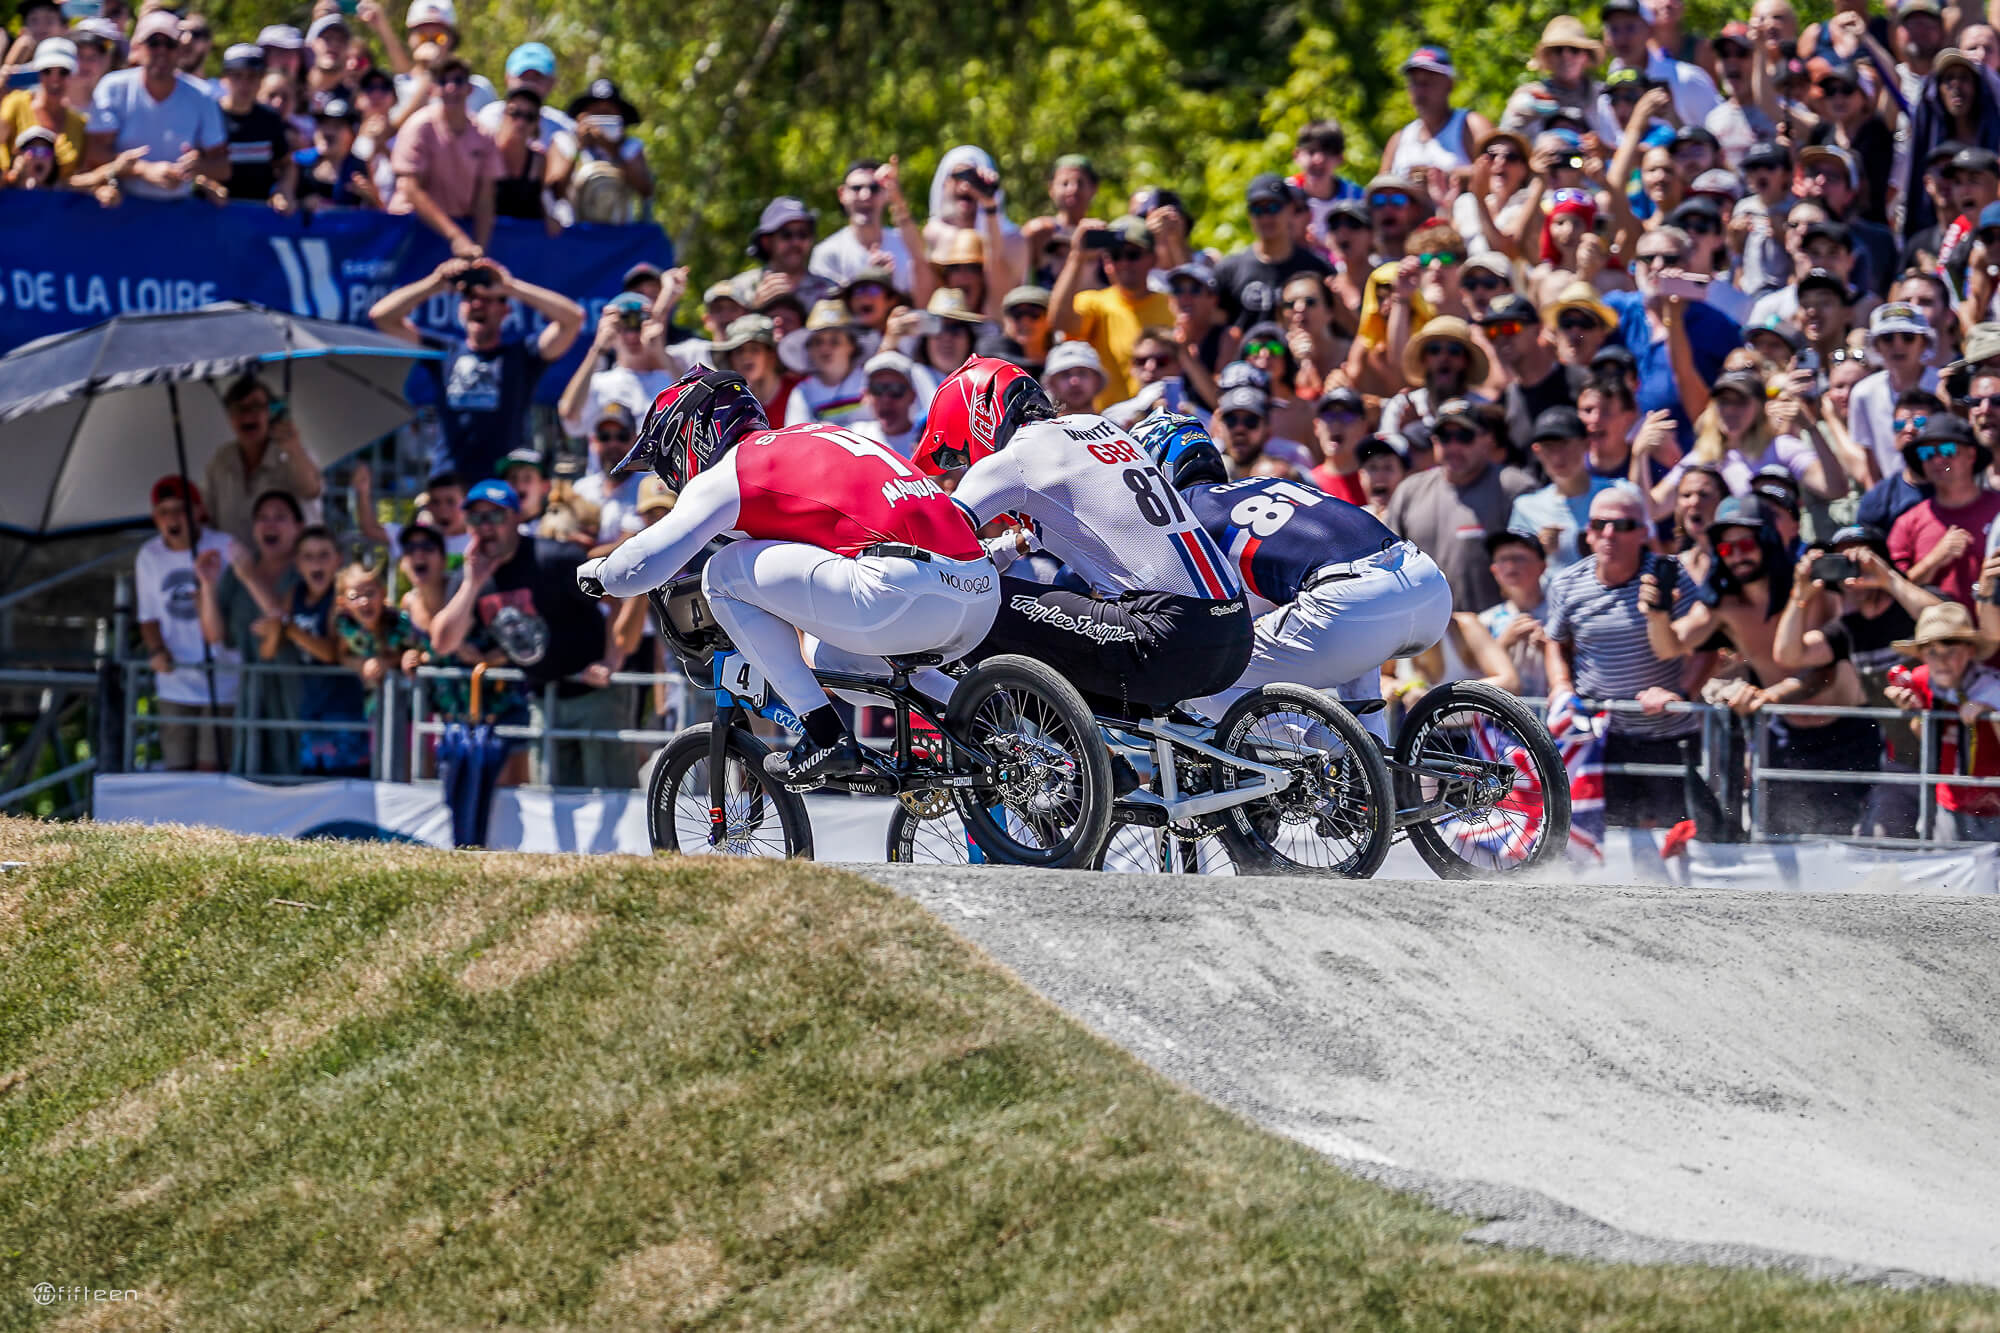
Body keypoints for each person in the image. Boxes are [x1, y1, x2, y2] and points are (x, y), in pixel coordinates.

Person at [579, 369, 1001, 788]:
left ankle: (823, 733)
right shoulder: (812, 436)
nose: (672, 482)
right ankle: (996, 726)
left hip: (901, 592)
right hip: (977, 592)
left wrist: (596, 573)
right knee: (833, 658)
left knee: (722, 573)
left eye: (666, 465)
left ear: (693, 435)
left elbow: (640, 568)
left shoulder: (731, 469)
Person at [905, 359, 1250, 717]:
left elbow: (935, 540)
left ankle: (1073, 757)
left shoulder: (1014, 460)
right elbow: (1047, 531)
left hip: (1164, 638)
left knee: (974, 602)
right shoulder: (1097, 426)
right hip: (1234, 633)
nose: (962, 465)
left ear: (977, 419)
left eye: (957, 455)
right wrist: (1007, 547)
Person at [1134, 413, 1450, 732]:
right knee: (1357, 637)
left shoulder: (1184, 516)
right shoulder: (1267, 483)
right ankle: (1373, 748)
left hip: (1354, 603)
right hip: (1427, 583)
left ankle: (1326, 752)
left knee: (1192, 670)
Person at [1649, 496, 1877, 836]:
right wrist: (1656, 609)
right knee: (1778, 837)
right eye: (1726, 550)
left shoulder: (1812, 589)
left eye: (1745, 544)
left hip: (1847, 734)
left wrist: (1768, 696)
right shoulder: (1724, 607)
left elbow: (1824, 673)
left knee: (1857, 842)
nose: (1738, 556)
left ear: (1767, 540)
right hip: (1785, 738)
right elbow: (1668, 646)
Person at [428, 478, 625, 788]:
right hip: (540, 699)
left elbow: (617, 598)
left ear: (517, 519)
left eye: (495, 516)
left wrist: (613, 660)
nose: (486, 527)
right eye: (476, 518)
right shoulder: (473, 576)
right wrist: (472, 583)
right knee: (550, 801)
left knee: (611, 795)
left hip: (593, 697)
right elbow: (442, 642)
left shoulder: (554, 558)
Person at [1542, 487, 1702, 827]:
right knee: (1606, 835)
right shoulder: (1567, 583)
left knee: (1677, 835)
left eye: (1623, 525)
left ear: (1643, 532)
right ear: (1588, 532)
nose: (1610, 534)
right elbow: (1554, 641)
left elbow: (1706, 647)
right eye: (1600, 524)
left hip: (1668, 735)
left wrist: (1682, 694)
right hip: (1600, 737)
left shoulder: (1670, 576)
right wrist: (1560, 685)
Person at [1775, 523, 1941, 839]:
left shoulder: (1913, 606)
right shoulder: (1847, 628)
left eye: (1859, 559)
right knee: (1881, 839)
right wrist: (1801, 594)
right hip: (1902, 759)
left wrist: (1888, 579)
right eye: (1841, 563)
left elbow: (1946, 621)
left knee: (1959, 846)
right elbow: (1788, 654)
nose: (1851, 572)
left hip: (1952, 756)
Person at [370, 258, 584, 478]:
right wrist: (435, 283)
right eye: (470, 298)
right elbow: (382, 317)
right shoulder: (443, 351)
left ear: (505, 310)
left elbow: (572, 319)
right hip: (449, 483)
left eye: (487, 299)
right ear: (460, 308)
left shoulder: (523, 355)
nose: (477, 304)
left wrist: (511, 287)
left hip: (502, 483)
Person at [1384, 398, 1536, 612]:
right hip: (1427, 633)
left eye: (1465, 436)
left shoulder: (1514, 487)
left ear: (1487, 439)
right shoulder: (1409, 491)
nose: (1454, 446)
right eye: (1445, 437)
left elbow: (1534, 567)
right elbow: (1388, 565)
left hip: (1495, 631)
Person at [196, 489, 302, 777]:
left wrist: (251, 578)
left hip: (299, 692)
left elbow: (283, 621)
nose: (270, 525)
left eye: (280, 517)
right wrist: (207, 584)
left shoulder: (308, 568)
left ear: (298, 527)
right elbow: (214, 635)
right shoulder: (238, 572)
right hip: (253, 695)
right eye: (263, 518)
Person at [138, 477, 237, 773]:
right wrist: (157, 650)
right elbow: (148, 617)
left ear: (199, 511)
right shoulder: (149, 556)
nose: (172, 519)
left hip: (222, 679)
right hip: (175, 684)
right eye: (164, 512)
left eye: (180, 509)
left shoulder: (225, 548)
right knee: (177, 770)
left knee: (212, 770)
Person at [81, 9, 227, 202]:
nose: (161, 51)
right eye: (153, 43)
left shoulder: (202, 95)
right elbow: (94, 153)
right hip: (120, 210)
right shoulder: (113, 87)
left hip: (179, 213)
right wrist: (143, 169)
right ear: (138, 47)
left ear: (180, 50)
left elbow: (223, 166)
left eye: (169, 44)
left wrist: (198, 167)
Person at [1882, 602, 2000, 841]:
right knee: (1948, 870)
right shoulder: (1920, 681)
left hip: (1994, 804)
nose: (1941, 661)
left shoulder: (1992, 688)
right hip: (1948, 799)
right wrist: (1915, 711)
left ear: (1969, 651)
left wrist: (1991, 714)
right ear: (1922, 656)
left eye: (1951, 650)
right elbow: (1926, 739)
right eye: (1932, 652)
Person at [1048, 215, 1170, 410]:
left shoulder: (1171, 305)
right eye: (1115, 255)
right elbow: (1059, 321)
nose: (1123, 263)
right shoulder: (1094, 302)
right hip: (1110, 430)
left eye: (1132, 254)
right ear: (1105, 262)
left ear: (1153, 258)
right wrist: (1077, 255)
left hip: (1162, 423)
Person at [386, 54, 496, 258]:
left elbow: (485, 197)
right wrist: (455, 236)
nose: (451, 88)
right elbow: (410, 188)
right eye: (444, 81)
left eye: (459, 81)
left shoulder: (484, 135)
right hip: (411, 233)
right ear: (433, 89)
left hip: (458, 233)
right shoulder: (419, 126)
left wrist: (479, 250)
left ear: (469, 88)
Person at [1889, 415, 2000, 608]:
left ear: (1971, 455)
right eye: (1926, 453)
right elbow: (1891, 593)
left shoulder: (1998, 508)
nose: (1938, 459)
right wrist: (1934, 559)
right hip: (1935, 636)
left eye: (1947, 450)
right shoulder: (1908, 522)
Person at [201, 375, 325, 547]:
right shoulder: (221, 460)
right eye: (239, 409)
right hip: (237, 568)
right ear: (230, 418)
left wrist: (294, 448)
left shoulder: (292, 452)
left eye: (256, 407)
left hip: (292, 567)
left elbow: (311, 490)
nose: (247, 415)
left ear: (271, 413)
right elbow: (208, 518)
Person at [1509, 406, 1634, 574]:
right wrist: (1539, 551)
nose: (1557, 456)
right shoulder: (1525, 507)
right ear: (1536, 451)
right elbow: (1514, 572)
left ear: (1587, 444)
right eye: (1548, 446)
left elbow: (1646, 547)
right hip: (1553, 599)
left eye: (1564, 444)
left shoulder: (1621, 493)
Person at [557, 289, 681, 445]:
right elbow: (569, 416)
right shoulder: (599, 382)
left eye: (639, 324)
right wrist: (598, 347)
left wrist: (659, 348)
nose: (632, 335)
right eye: (622, 326)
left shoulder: (671, 380)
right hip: (610, 469)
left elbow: (701, 410)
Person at [1214, 174, 1334, 331]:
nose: (1265, 217)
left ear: (1291, 209)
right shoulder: (1229, 270)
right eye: (1257, 209)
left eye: (1273, 208)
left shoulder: (1316, 268)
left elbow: (1337, 327)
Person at [809, 156, 927, 296]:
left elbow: (924, 278)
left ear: (886, 194)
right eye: (856, 188)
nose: (865, 195)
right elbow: (823, 311)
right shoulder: (827, 253)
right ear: (842, 194)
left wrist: (897, 196)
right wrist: (871, 278)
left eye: (874, 188)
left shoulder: (905, 244)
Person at [1380, 43, 1491, 178]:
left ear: (1450, 84)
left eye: (1428, 82)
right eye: (1414, 82)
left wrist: (1441, 176)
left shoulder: (1470, 126)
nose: (1420, 91)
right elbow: (1379, 189)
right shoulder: (1399, 140)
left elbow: (1496, 170)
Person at [214, 43, 292, 210]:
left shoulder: (270, 119)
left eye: (252, 76)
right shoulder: (210, 116)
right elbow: (193, 163)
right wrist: (206, 184)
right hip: (212, 216)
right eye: (237, 76)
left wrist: (284, 190)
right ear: (225, 78)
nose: (245, 83)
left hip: (257, 219)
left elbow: (286, 164)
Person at [1480, 529, 1550, 699]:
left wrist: (1551, 648)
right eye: (1503, 560)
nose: (1511, 566)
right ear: (1494, 570)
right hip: (1503, 720)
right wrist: (1502, 644)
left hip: (1552, 717)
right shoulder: (1484, 622)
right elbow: (1474, 674)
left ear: (1542, 567)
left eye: (1520, 558)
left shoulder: (1560, 615)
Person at [781, 300, 869, 426]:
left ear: (852, 346)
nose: (825, 349)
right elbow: (797, 436)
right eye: (817, 342)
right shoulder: (803, 392)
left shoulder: (869, 380)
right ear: (809, 350)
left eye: (835, 341)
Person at [852, 351, 923, 458]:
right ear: (866, 394)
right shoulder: (854, 437)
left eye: (896, 389)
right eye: (878, 389)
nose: (886, 398)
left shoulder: (926, 441)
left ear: (912, 395)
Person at [1041, 340, 1107, 417]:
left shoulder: (1116, 427)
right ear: (1052, 384)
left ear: (1097, 381)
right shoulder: (1035, 428)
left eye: (1082, 373)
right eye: (1065, 374)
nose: (1074, 381)